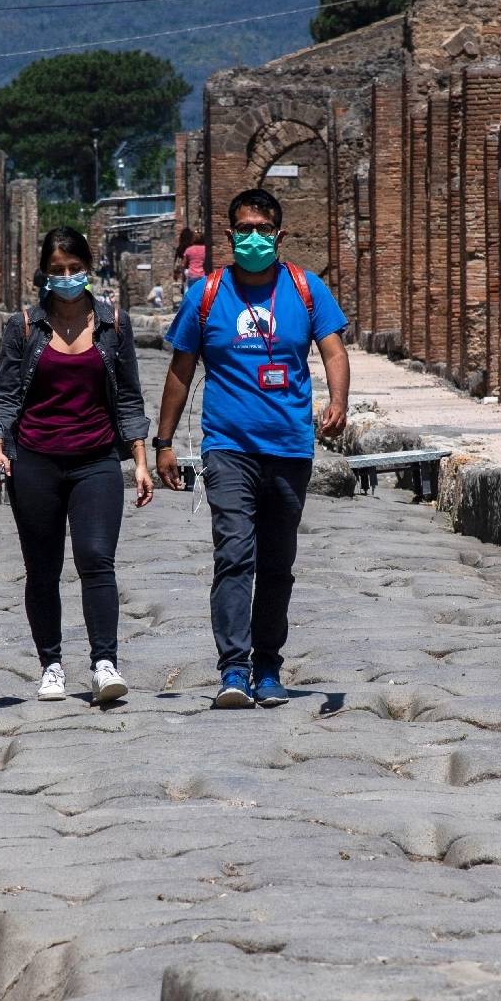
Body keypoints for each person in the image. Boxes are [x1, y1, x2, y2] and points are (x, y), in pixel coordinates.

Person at [154, 189, 349, 709]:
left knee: (278, 562)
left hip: (289, 447)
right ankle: (234, 668)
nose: (255, 238)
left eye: (264, 229)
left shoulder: (306, 289)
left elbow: (333, 349)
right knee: (235, 553)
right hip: (228, 446)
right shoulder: (208, 294)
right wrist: (164, 442)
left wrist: (338, 401)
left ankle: (268, 665)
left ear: (280, 236)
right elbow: (181, 370)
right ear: (230, 235)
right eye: (245, 230)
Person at [0, 226, 154, 703]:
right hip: (35, 460)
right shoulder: (23, 327)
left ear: (89, 269)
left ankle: (104, 663)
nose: (66, 278)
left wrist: (139, 460)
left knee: (96, 559)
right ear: (44, 273)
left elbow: (127, 399)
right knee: (42, 569)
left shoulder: (114, 325)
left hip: (96, 459)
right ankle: (52, 664)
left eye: (74, 269)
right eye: (57, 271)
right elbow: (4, 395)